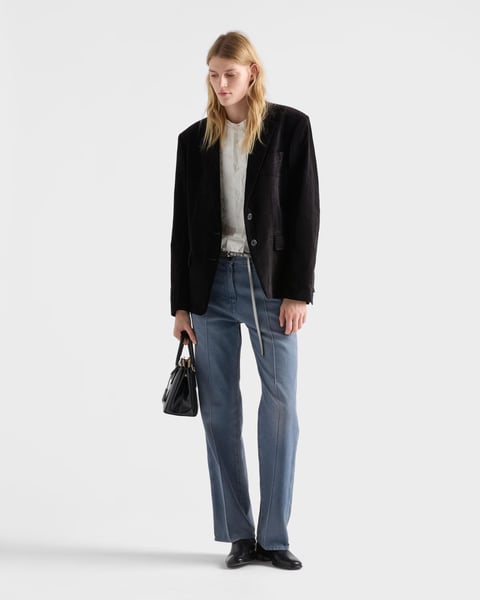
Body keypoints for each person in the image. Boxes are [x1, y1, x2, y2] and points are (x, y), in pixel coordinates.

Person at [169, 31, 320, 570]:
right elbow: (181, 229)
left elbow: (305, 213)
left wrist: (298, 291)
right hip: (209, 287)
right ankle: (239, 534)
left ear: (252, 73)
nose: (220, 83)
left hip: (268, 285)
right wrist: (180, 307)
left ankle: (274, 537)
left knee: (280, 406)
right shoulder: (193, 140)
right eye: (213, 74)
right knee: (219, 411)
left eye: (229, 74)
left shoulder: (290, 128)